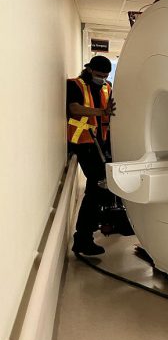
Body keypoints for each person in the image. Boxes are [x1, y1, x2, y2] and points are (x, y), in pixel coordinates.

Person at [67, 55, 117, 256]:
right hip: (82, 143)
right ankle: (82, 238)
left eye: (105, 76)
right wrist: (100, 111)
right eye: (98, 75)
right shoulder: (75, 85)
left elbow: (112, 112)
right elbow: (74, 108)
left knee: (101, 186)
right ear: (89, 70)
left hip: (101, 143)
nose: (102, 79)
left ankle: (96, 226)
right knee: (97, 187)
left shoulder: (107, 87)